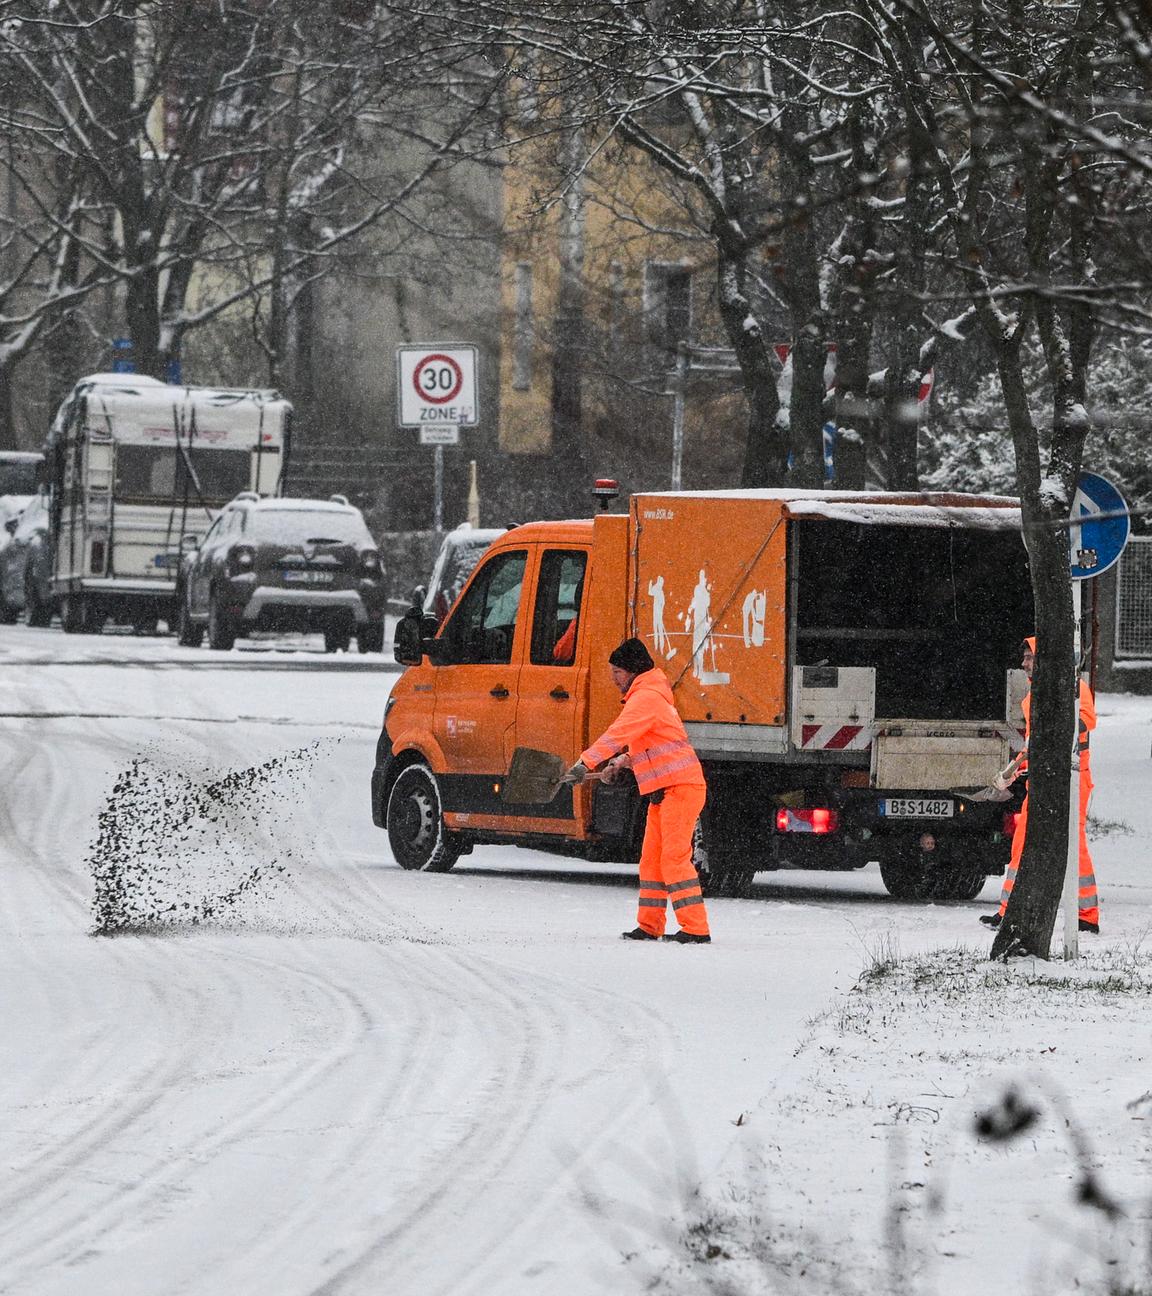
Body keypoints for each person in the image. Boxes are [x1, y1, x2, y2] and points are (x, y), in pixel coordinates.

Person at [566, 636, 711, 944]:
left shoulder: (646, 697)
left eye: (617, 672)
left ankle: (696, 928)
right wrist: (620, 763)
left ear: (632, 670)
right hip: (665, 792)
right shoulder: (648, 696)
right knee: (651, 860)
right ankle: (649, 925)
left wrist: (585, 762)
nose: (613, 678)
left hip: (680, 789)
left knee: (673, 858)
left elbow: (619, 732)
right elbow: (647, 746)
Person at [980, 636, 1099, 933]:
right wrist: (1015, 769)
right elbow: (1036, 744)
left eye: (1029, 658)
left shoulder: (1073, 689)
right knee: (1022, 844)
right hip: (1044, 779)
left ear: (1043, 660)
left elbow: (1082, 724)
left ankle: (1087, 916)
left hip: (1072, 779)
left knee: (1074, 845)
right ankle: (1007, 911)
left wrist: (1054, 722)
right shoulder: (1034, 697)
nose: (1023, 664)